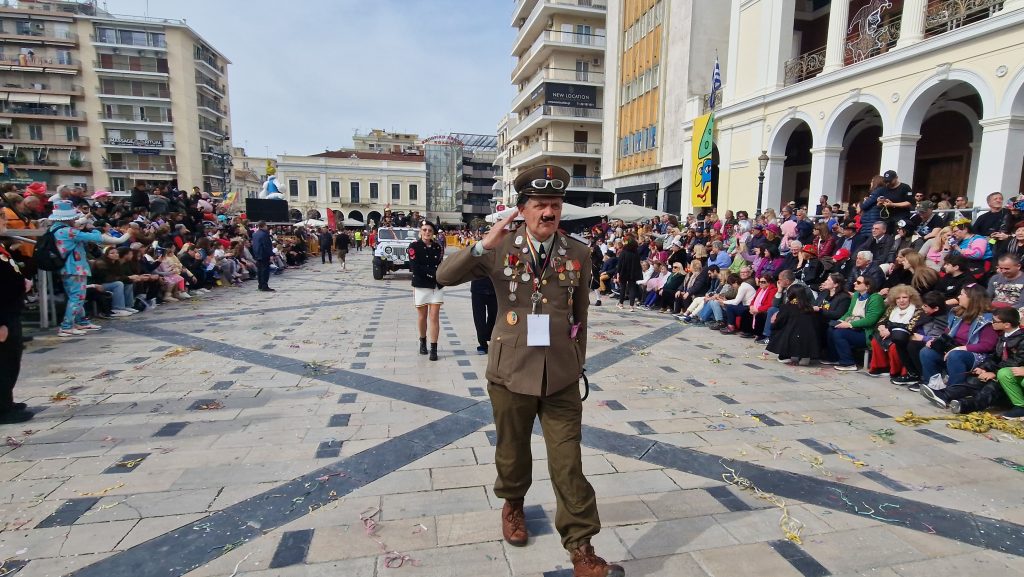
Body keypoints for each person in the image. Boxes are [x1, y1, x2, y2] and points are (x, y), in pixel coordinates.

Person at [435, 165, 624, 577]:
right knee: (512, 450)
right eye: (540, 205)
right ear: (522, 209)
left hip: (560, 376)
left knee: (568, 462)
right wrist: (481, 246)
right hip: (511, 373)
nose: (549, 213)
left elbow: (581, 315)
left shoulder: (578, 252)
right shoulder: (499, 247)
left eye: (554, 205)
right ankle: (513, 505)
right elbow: (443, 277)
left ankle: (582, 548)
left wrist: (577, 362)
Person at [48, 200, 129, 337]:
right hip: (74, 267)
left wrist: (84, 219)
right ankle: (66, 325)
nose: (75, 219)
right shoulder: (68, 231)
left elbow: (77, 226)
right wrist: (98, 231)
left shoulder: (55, 229)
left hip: (68, 268)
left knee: (76, 296)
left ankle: (81, 321)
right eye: (73, 217)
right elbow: (92, 237)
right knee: (77, 297)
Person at [918, 284, 996, 408]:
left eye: (962, 294)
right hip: (955, 348)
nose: (958, 297)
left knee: (955, 356)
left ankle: (951, 393)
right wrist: (935, 341)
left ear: (972, 298)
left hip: (976, 354)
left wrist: (961, 348)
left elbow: (987, 346)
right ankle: (934, 388)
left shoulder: (987, 319)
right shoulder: (957, 313)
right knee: (927, 352)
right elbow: (947, 333)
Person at [948, 307, 1024, 415]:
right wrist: (984, 368)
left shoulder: (1021, 339)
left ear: (1007, 324)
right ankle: (945, 394)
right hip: (1003, 371)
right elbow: (995, 357)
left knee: (992, 386)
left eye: (995, 321)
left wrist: (994, 373)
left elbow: (1016, 361)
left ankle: (967, 405)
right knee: (974, 381)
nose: (991, 323)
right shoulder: (1003, 336)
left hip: (1012, 375)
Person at [0, 210, 32, 423]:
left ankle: (7, 401)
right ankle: (3, 409)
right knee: (4, 361)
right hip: (3, 313)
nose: (5, 221)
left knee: (11, 360)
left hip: (11, 309)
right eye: (1, 218)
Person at [825, 275, 885, 371]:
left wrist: (849, 324)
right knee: (831, 328)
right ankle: (834, 358)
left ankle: (849, 363)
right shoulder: (856, 295)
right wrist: (840, 321)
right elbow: (849, 312)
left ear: (867, 286)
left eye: (858, 282)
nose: (854, 283)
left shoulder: (876, 298)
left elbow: (870, 320)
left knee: (839, 333)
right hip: (853, 326)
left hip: (867, 332)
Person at [868, 285, 924, 378]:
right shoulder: (892, 308)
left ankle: (896, 372)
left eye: (904, 297)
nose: (901, 300)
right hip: (889, 332)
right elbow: (883, 320)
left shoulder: (917, 310)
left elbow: (911, 327)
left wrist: (890, 331)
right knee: (875, 341)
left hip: (905, 335)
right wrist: (881, 327)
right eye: (898, 298)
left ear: (911, 298)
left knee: (895, 346)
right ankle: (881, 367)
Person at [409, 220, 444, 361]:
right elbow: (414, 267)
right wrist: (433, 273)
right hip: (421, 285)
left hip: (436, 285)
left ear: (433, 232)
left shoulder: (437, 247)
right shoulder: (413, 246)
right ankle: (423, 341)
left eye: (429, 230)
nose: (427, 232)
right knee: (422, 316)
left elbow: (440, 264)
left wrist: (439, 275)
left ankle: (434, 348)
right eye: (424, 230)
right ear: (420, 232)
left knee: (434, 316)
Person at [767, 284, 820, 365]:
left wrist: (773, 326)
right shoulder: (809, 308)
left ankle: (785, 356)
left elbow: (779, 321)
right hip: (809, 339)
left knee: (781, 330)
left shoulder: (787, 307)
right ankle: (805, 357)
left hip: (792, 337)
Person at [471, 276, 497, 354]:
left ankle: (489, 337)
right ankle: (483, 344)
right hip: (477, 288)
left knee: (494, 316)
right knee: (479, 319)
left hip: (494, 289)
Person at [615, 239, 642, 311]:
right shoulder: (636, 253)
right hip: (633, 272)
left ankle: (621, 304)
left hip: (624, 272)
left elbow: (619, 264)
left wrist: (618, 273)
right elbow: (638, 265)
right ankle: (631, 306)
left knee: (623, 288)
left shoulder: (623, 252)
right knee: (632, 288)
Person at [252, 221, 274, 292]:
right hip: (264, 254)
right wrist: (270, 254)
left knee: (259, 270)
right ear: (264, 226)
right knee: (265, 270)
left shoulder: (255, 234)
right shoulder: (264, 234)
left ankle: (260, 285)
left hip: (257, 254)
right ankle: (264, 286)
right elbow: (267, 246)